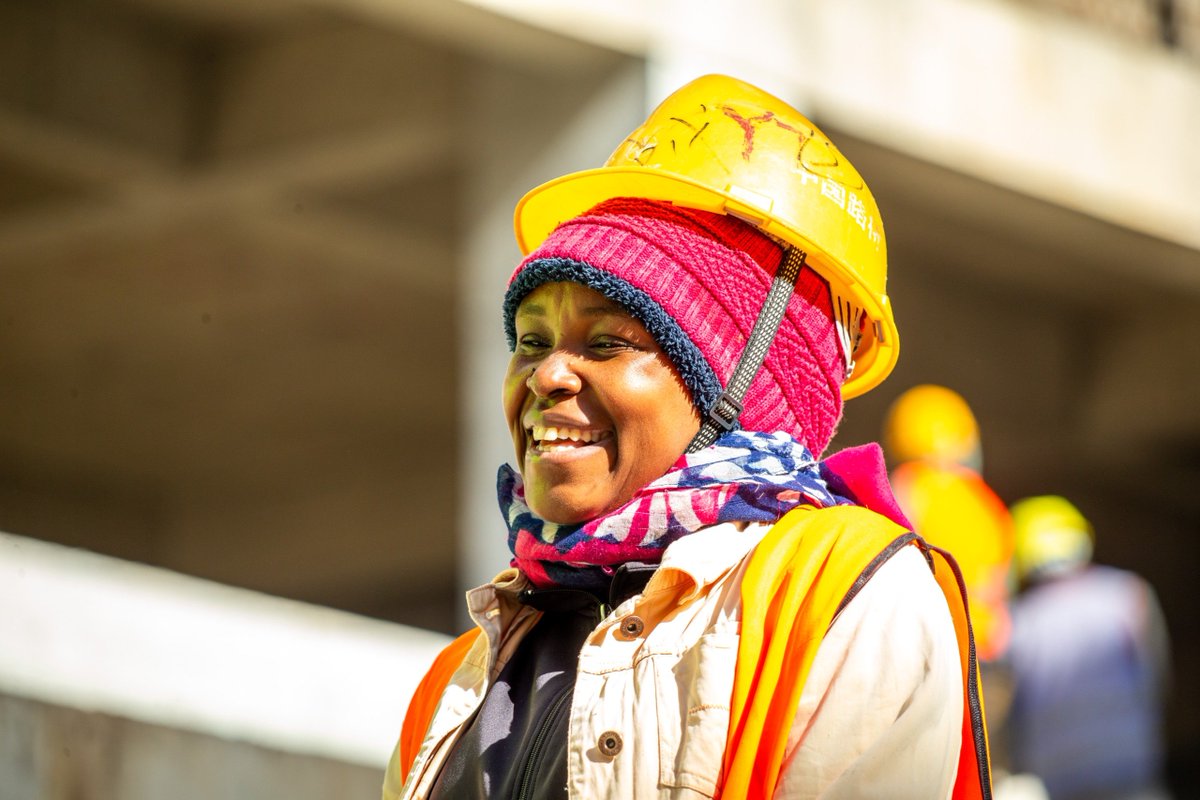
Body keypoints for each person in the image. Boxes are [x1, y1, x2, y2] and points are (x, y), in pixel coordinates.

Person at [384, 74, 991, 800]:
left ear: (750, 385)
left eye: (607, 342)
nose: (546, 376)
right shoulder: (449, 693)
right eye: (530, 340)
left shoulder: (841, 591)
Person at [1005, 496, 1172, 800]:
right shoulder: (1129, 595)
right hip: (1127, 760)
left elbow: (1008, 705)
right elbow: (1156, 673)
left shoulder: (1016, 623)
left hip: (1056, 774)